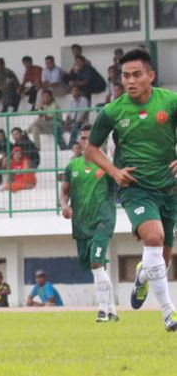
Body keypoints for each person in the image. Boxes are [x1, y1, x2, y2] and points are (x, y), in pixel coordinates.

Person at [85, 49, 177, 331]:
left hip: (169, 188)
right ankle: (168, 313)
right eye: (126, 75)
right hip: (136, 188)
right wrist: (114, 172)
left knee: (162, 257)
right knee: (154, 236)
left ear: (151, 76)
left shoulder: (170, 102)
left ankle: (143, 276)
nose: (130, 80)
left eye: (137, 75)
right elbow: (90, 149)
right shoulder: (112, 111)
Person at [60, 124, 118, 322]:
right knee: (98, 267)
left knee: (96, 263)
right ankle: (112, 310)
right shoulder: (72, 166)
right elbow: (64, 191)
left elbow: (119, 184)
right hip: (81, 225)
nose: (85, 141)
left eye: (89, 138)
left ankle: (102, 310)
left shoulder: (107, 165)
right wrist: (64, 206)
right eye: (82, 138)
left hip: (103, 222)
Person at [58, 85, 90, 150]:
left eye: (75, 90)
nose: (74, 92)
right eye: (72, 91)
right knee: (57, 128)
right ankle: (63, 147)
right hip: (72, 122)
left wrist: (78, 122)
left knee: (75, 127)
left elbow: (86, 112)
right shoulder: (72, 101)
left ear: (79, 92)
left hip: (81, 123)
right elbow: (69, 115)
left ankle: (70, 148)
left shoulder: (84, 100)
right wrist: (66, 122)